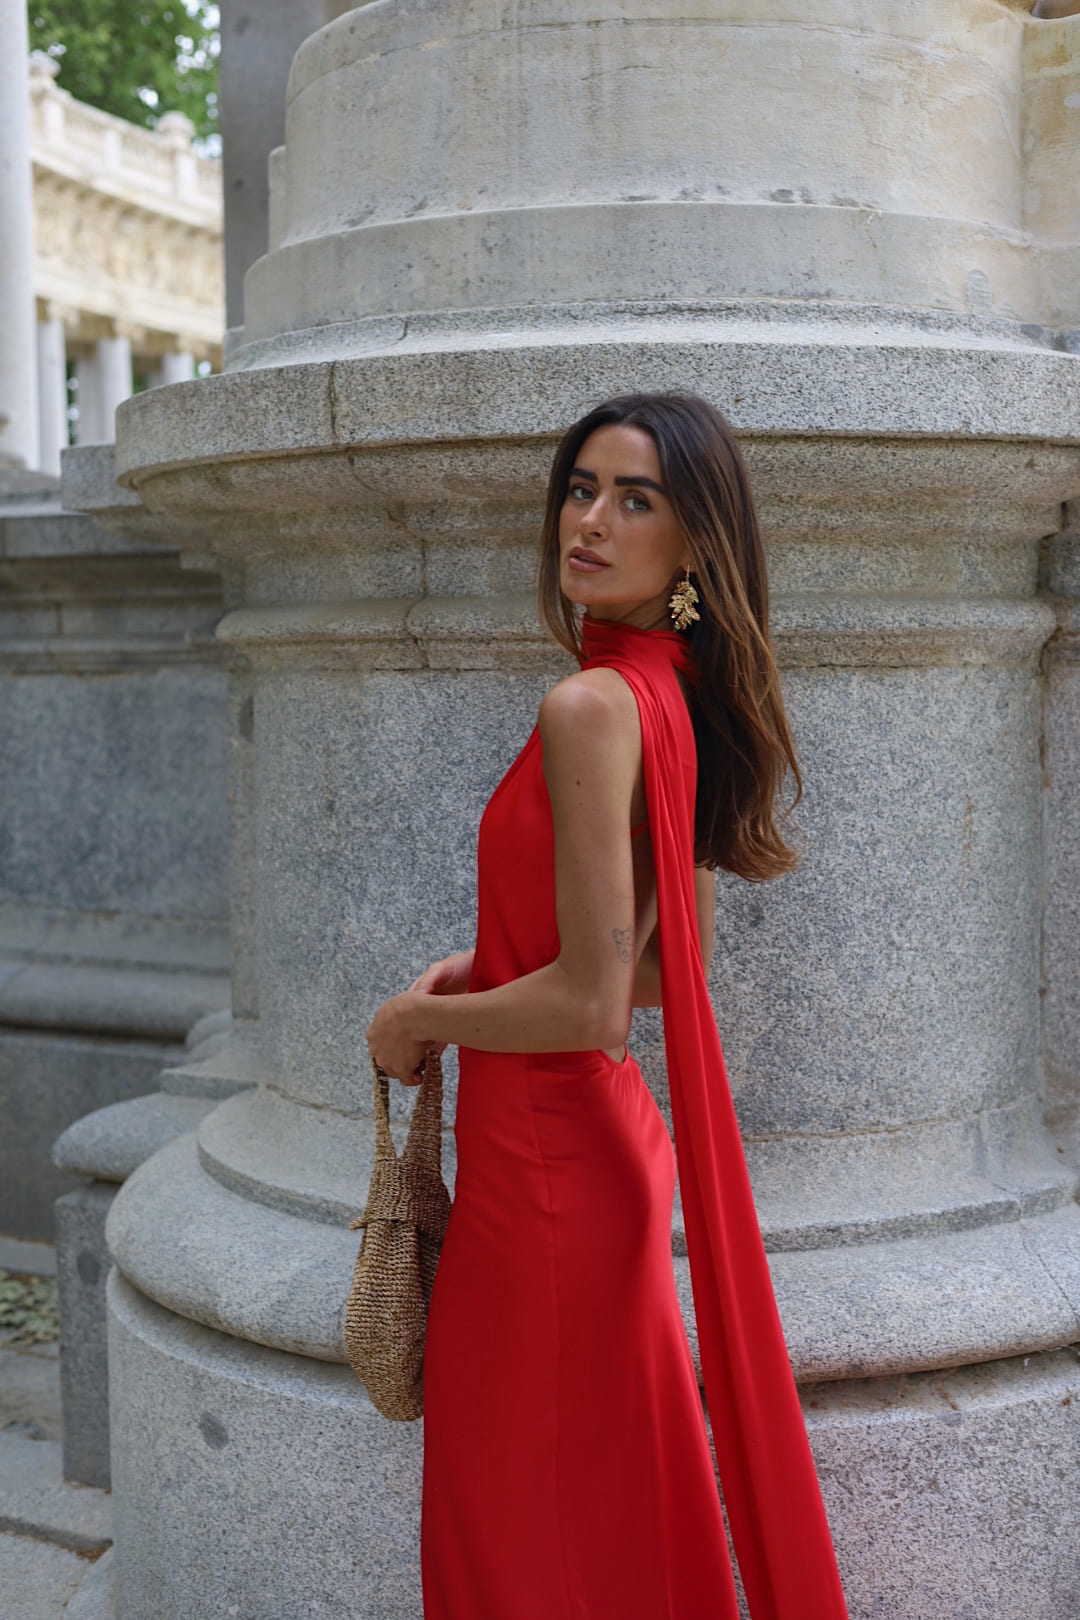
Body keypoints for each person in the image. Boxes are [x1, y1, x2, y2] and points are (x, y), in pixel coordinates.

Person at [366, 392, 850, 1620]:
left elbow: (589, 1004)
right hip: (597, 1155)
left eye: (636, 499)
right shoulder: (668, 695)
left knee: (515, 1526)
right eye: (581, 487)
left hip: (545, 1174)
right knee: (597, 1509)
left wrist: (417, 1026)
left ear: (694, 543)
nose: (589, 520)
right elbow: (635, 974)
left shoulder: (590, 708)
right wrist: (478, 976)